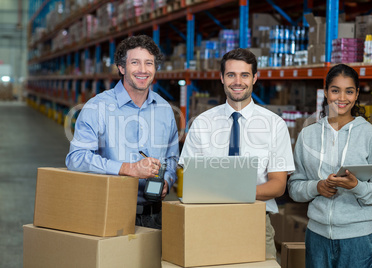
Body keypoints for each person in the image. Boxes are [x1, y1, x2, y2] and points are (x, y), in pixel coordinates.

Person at [180, 48, 295, 259]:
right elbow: (189, 179)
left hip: (256, 221)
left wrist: (234, 192)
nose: (237, 81)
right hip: (208, 220)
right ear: (222, 78)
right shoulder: (202, 124)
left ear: (255, 78)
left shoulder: (274, 125)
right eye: (231, 75)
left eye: (244, 75)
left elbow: (278, 185)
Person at [65, 35, 179, 229]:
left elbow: (172, 158)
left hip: (155, 216)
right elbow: (76, 158)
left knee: (153, 261)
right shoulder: (97, 107)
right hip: (108, 212)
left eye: (149, 63)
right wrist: (127, 168)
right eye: (135, 62)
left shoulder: (164, 109)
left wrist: (167, 181)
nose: (143, 70)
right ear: (121, 67)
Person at [288, 64, 372, 268]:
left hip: (359, 240)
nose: (341, 98)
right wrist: (316, 187)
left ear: (357, 95)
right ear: (326, 92)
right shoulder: (307, 135)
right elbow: (294, 188)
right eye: (335, 90)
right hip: (317, 237)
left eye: (349, 91)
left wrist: (357, 186)